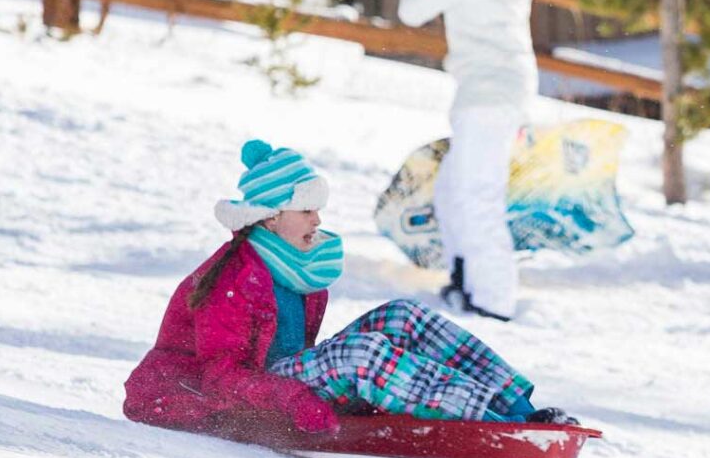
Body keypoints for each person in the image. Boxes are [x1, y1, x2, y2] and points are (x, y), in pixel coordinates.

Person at [125, 140, 571, 433]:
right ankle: (488, 423)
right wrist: (297, 399)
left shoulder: (296, 266)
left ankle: (516, 409)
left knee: (402, 316)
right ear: (271, 216)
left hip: (277, 384)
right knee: (358, 356)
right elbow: (219, 378)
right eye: (306, 210)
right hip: (218, 398)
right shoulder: (234, 279)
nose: (317, 220)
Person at [396, 0, 539, 321]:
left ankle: (494, 301)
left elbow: (411, 12)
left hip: (483, 96)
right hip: (507, 90)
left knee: (477, 197)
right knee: (453, 189)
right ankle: (466, 278)